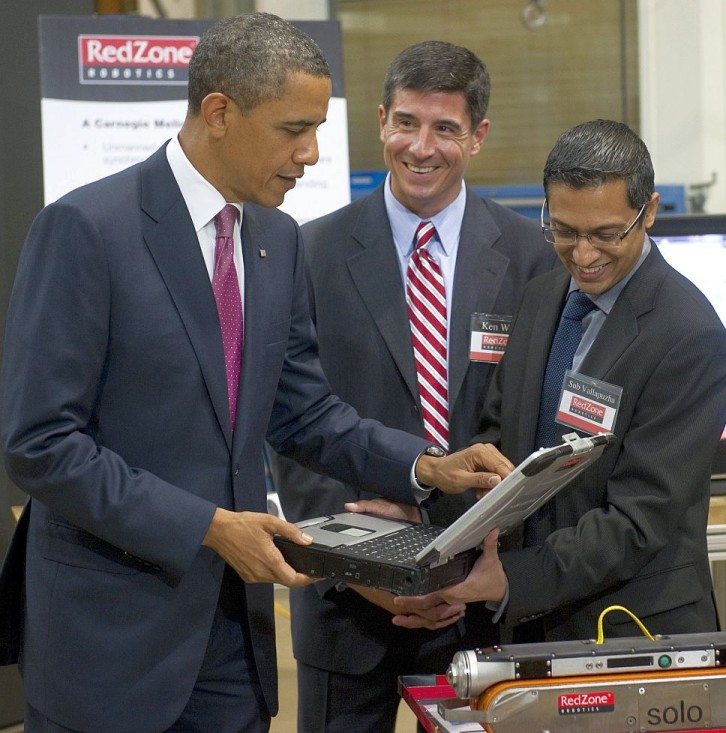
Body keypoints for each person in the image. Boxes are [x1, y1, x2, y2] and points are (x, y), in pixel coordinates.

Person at [0, 15, 509, 733]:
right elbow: (40, 443)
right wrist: (208, 527)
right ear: (218, 114)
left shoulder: (274, 237)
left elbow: (303, 411)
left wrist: (426, 466)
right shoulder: (87, 230)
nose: (311, 152)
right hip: (107, 647)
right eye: (293, 128)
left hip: (232, 649)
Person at [269, 40, 557, 733]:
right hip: (347, 606)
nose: (421, 147)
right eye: (406, 122)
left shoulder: (532, 259)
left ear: (479, 136)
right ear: (380, 121)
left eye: (445, 129)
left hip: (481, 605)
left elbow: (526, 431)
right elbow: (293, 428)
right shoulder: (306, 252)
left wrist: (459, 558)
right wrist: (361, 565)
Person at [355, 119, 726, 644]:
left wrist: (512, 577)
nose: (583, 255)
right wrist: (426, 516)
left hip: (631, 627)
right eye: (564, 231)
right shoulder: (542, 298)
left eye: (605, 234)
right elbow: (502, 456)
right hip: (529, 624)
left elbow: (639, 519)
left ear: (647, 211)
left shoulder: (688, 335)